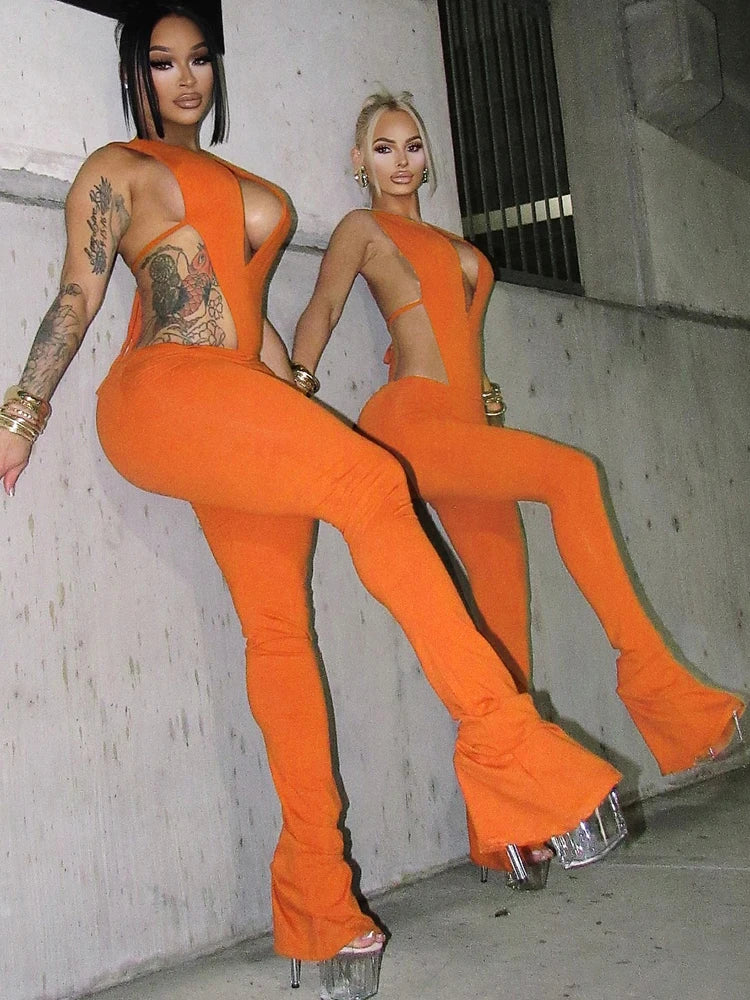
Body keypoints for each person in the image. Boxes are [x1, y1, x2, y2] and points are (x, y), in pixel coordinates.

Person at [0, 16, 627, 996]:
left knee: (280, 632)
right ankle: (519, 758)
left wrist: (293, 380)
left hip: (245, 399)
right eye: (163, 62)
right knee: (375, 482)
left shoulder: (251, 188)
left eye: (201, 57)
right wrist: (24, 411)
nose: (186, 77)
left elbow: (249, 329)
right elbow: (77, 298)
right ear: (136, 72)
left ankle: (318, 906)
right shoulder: (113, 169)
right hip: (159, 394)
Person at [291, 90, 746, 871]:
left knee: (504, 633)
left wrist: (486, 395)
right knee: (571, 474)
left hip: (468, 428)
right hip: (414, 423)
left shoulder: (459, 245)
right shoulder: (364, 231)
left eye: (413, 145)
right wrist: (293, 386)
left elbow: (458, 336)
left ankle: (503, 835)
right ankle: (657, 686)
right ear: (358, 162)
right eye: (384, 147)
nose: (402, 160)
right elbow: (324, 310)